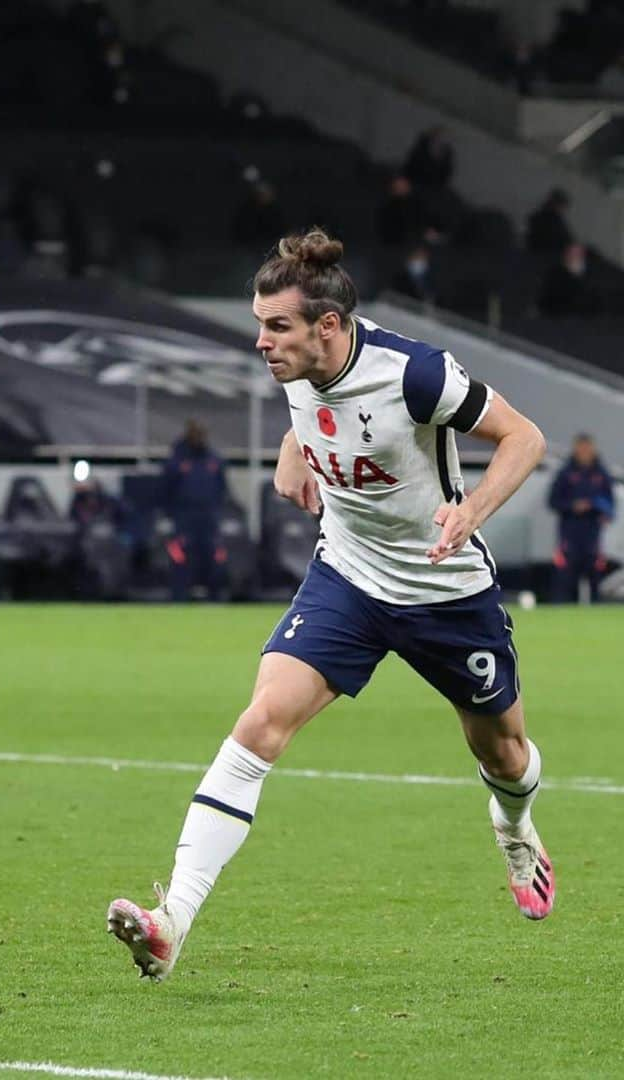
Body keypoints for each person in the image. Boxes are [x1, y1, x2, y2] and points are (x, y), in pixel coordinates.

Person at [108, 227, 551, 982]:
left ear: (329, 327)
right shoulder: (295, 361)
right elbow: (309, 406)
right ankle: (171, 921)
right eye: (259, 323)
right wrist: (294, 453)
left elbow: (524, 437)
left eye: (275, 326)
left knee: (503, 753)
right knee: (260, 724)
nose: (261, 341)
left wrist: (470, 511)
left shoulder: (416, 374)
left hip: (446, 594)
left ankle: (514, 828)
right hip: (347, 578)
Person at [160, 420, 227, 601]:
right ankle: (179, 598)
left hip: (209, 517)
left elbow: (222, 489)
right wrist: (168, 517)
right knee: (181, 558)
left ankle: (215, 598)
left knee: (213, 556)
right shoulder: (177, 460)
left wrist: (219, 514)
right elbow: (165, 490)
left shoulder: (213, 460)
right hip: (184, 518)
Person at [548, 433, 615, 602]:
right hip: (570, 535)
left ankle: (596, 616)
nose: (585, 451)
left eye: (588, 448)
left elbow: (610, 504)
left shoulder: (601, 474)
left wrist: (597, 508)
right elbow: (553, 501)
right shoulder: (566, 473)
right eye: (581, 447)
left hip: (593, 535)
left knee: (595, 580)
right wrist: (572, 506)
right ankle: (564, 616)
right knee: (566, 580)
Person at [538, 242, 601, 317]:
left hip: (586, 318)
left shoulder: (594, 275)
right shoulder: (555, 274)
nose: (573, 256)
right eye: (571, 253)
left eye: (578, 253)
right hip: (558, 316)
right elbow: (547, 301)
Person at [526, 188, 573, 256]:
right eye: (562, 206)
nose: (563, 210)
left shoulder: (538, 217)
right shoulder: (552, 220)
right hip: (545, 256)